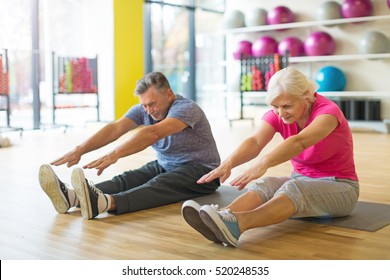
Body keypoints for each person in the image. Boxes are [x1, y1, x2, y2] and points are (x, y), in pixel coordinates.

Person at [181, 67, 359, 247]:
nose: (281, 113)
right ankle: (220, 219)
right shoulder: (280, 114)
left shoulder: (328, 113)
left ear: (306, 95)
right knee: (266, 184)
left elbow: (300, 142)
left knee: (294, 189)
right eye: (275, 107)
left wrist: (263, 163)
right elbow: (256, 141)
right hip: (301, 179)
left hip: (341, 186)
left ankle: (237, 224)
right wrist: (228, 164)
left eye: (287, 106)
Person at [39, 71, 220, 220]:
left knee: (158, 184)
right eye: (144, 105)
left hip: (202, 172)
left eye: (152, 104)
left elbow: (153, 133)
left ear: (169, 94)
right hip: (167, 165)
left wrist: (115, 154)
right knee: (127, 179)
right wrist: (80, 150)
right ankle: (72, 198)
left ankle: (105, 203)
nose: (148, 110)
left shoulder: (186, 109)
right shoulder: (144, 110)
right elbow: (115, 129)